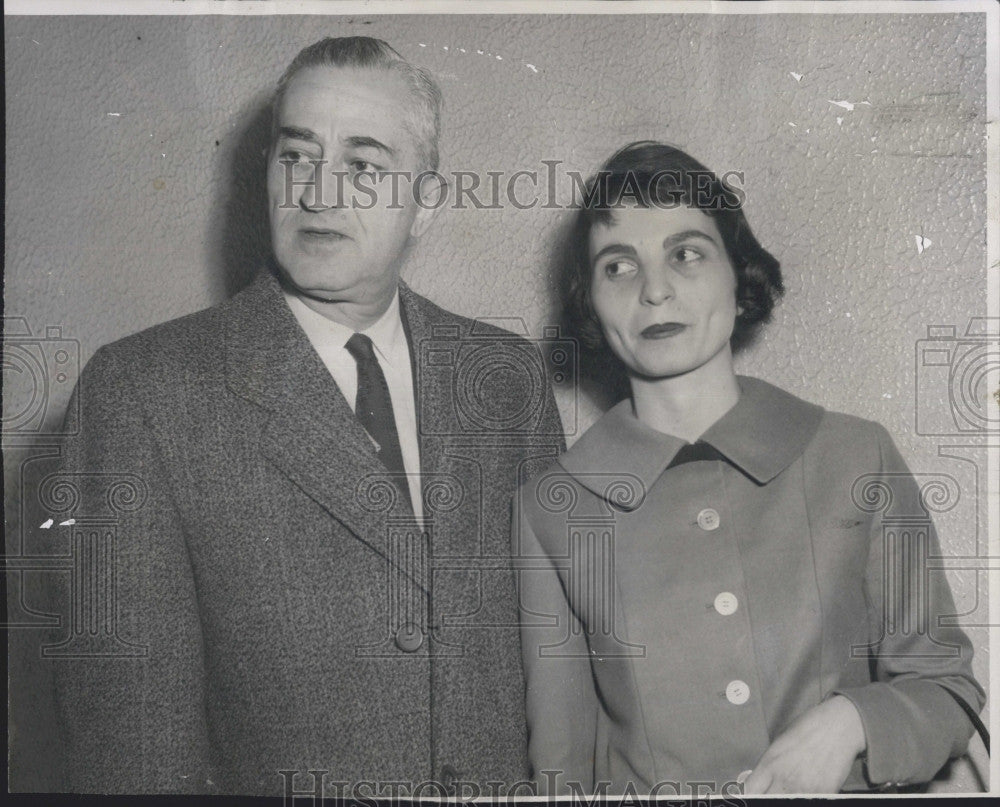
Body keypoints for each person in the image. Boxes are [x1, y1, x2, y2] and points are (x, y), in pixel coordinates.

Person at [42, 37, 563, 795]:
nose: (319, 192)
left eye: (362, 164)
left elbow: (560, 674)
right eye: (296, 156)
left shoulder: (506, 378)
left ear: (427, 201)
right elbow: (133, 737)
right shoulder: (143, 392)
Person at [513, 141, 985, 795]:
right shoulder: (551, 507)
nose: (655, 290)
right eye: (618, 266)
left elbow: (947, 691)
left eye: (686, 254)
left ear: (740, 279)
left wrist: (850, 721)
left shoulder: (855, 456)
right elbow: (561, 771)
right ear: (590, 303)